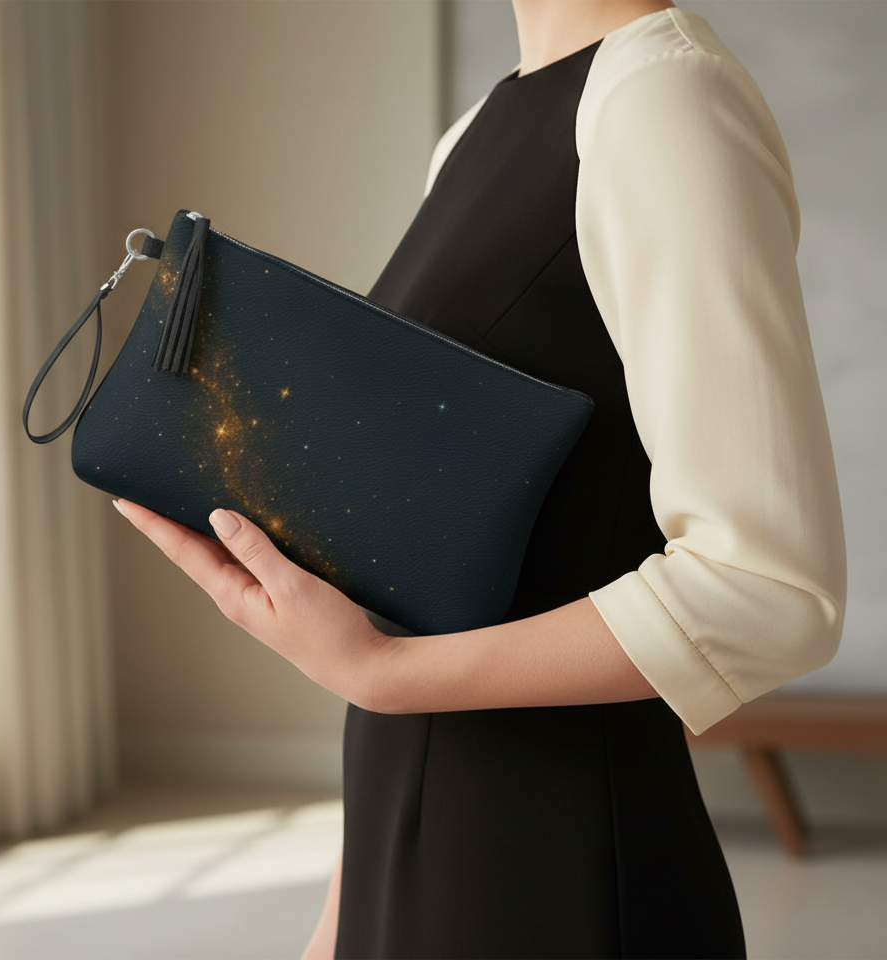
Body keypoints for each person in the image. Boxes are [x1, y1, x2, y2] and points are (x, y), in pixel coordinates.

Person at [112, 0, 846, 956]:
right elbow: (415, 591)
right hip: (410, 833)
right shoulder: (474, 134)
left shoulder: (663, 99)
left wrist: (382, 673)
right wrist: (343, 912)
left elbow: (768, 589)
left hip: (551, 864)